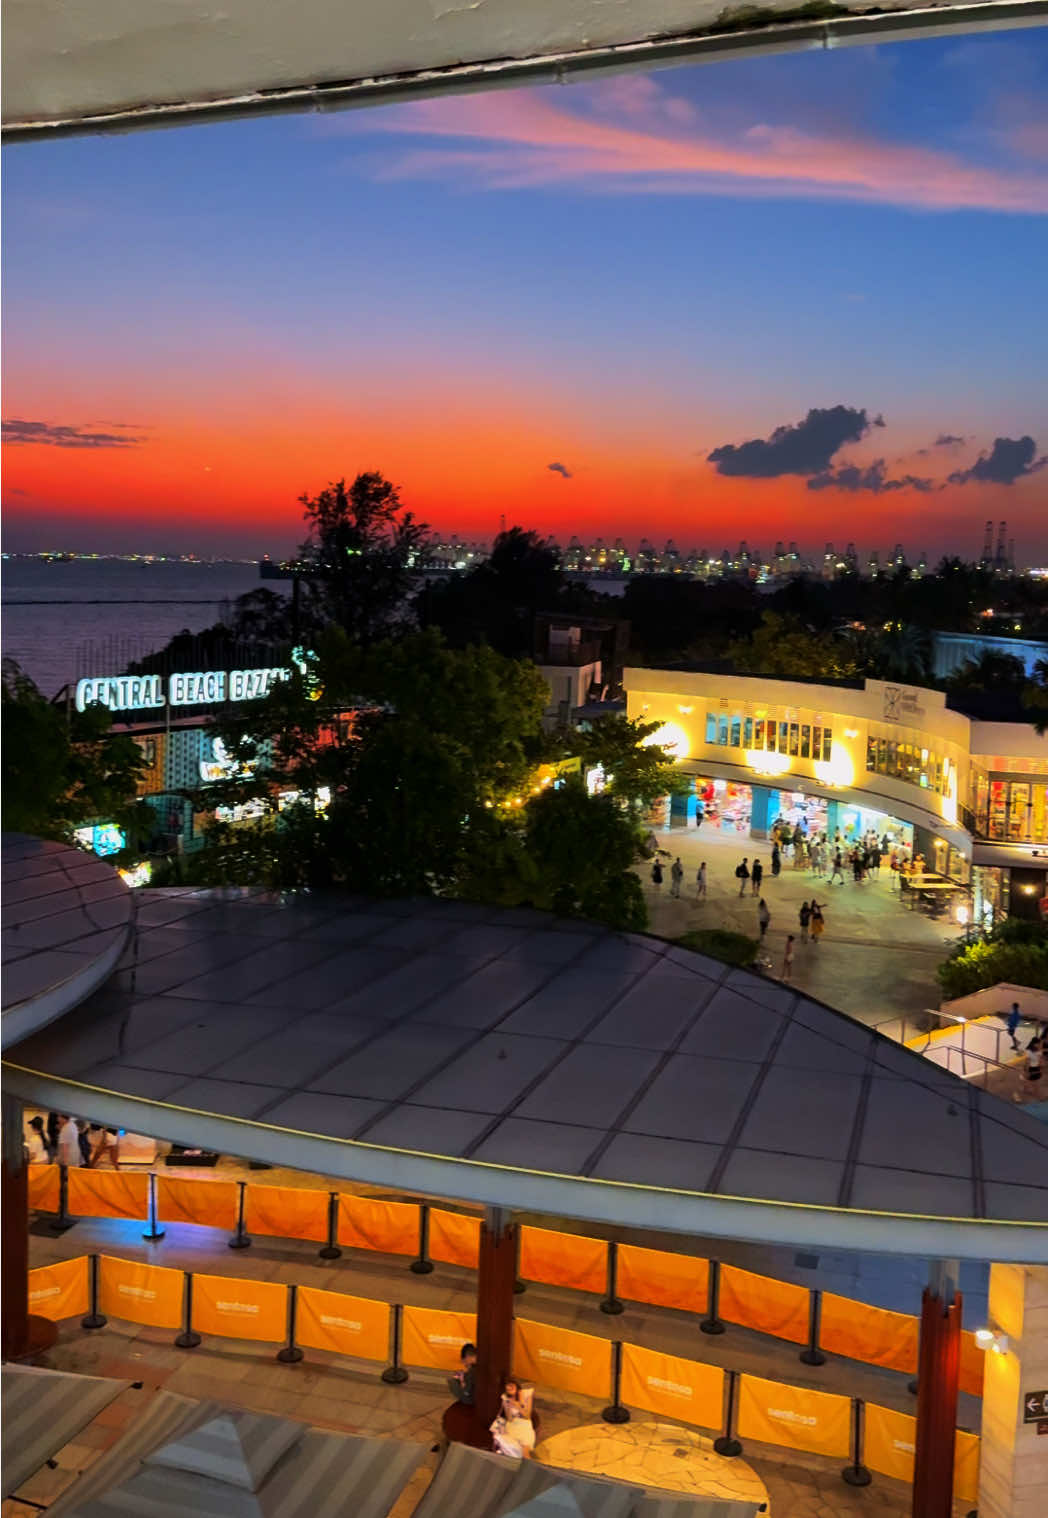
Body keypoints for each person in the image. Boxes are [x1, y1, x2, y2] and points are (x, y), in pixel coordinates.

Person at [490, 1378, 536, 1459]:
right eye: (507, 1388)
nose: (509, 1389)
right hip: (512, 1426)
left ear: (516, 1385)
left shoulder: (526, 1394)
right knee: (513, 1451)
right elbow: (510, 1419)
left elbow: (527, 1416)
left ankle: (530, 1469)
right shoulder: (506, 1399)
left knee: (525, 1453)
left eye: (511, 1386)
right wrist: (508, 1405)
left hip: (524, 1425)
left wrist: (517, 1405)